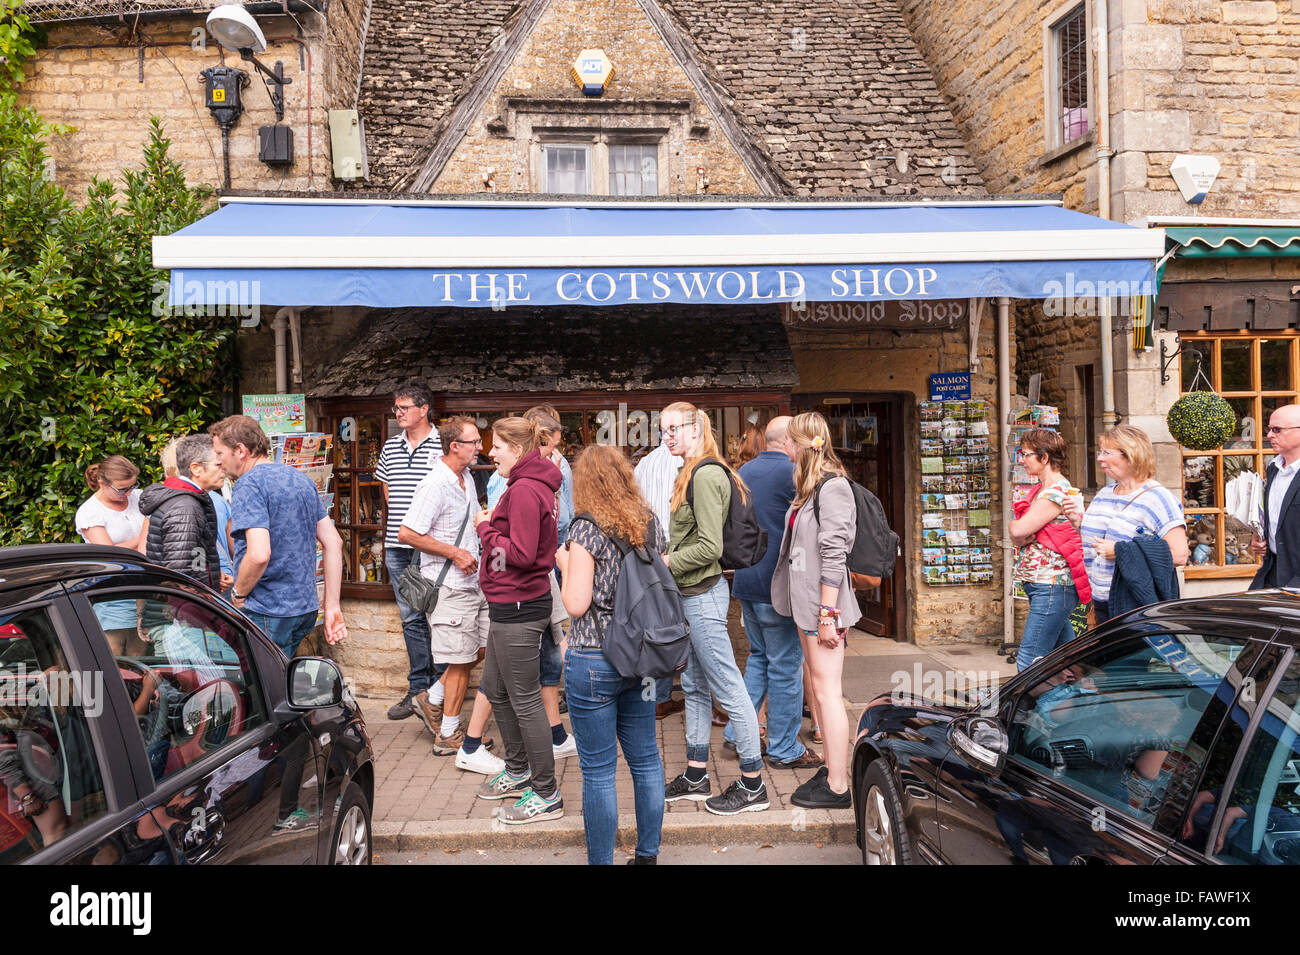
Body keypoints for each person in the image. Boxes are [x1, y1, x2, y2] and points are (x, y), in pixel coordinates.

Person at [555, 444, 666, 864]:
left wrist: (564, 564)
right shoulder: (648, 523)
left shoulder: (585, 530)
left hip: (595, 657)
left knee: (599, 772)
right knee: (646, 760)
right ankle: (647, 856)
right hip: (642, 659)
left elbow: (576, 604)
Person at [660, 401, 769, 815]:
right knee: (694, 687)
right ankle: (695, 774)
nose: (667, 436)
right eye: (663, 430)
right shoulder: (692, 471)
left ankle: (753, 783)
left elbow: (709, 546)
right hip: (694, 596)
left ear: (693, 428)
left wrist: (664, 562)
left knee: (728, 687)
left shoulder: (705, 475)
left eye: (673, 429)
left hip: (702, 597)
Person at [398, 415, 504, 775]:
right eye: (475, 441)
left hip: (473, 583)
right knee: (459, 661)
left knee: (481, 648)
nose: (481, 447)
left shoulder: (467, 479)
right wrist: (455, 553)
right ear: (454, 446)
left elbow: (472, 521)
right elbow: (408, 533)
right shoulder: (434, 484)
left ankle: (433, 697)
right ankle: (448, 735)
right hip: (448, 586)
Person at [772, 411, 865, 809]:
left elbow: (833, 553)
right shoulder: (812, 487)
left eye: (790, 442)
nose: (786, 449)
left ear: (804, 444)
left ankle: (840, 786)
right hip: (807, 607)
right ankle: (832, 769)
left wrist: (828, 614)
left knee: (828, 695)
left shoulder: (834, 488)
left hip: (823, 609)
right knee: (821, 691)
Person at [473, 416, 564, 824]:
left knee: (525, 699)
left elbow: (524, 554)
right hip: (509, 603)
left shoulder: (525, 490)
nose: (491, 453)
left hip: (519, 607)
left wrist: (487, 529)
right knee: (495, 687)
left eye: (497, 446)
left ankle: (546, 794)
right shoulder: (524, 485)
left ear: (518, 449)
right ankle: (518, 769)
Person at [725, 415, 821, 768]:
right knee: (785, 666)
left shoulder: (743, 473)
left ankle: (739, 733)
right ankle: (784, 748)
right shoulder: (793, 474)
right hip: (778, 585)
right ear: (788, 441)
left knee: (759, 659)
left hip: (747, 580)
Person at [209, 415, 348, 655]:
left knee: (261, 687)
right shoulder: (300, 480)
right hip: (304, 608)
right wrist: (332, 605)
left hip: (267, 608)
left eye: (220, 454)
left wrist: (238, 594)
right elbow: (334, 542)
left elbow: (259, 554)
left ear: (240, 450)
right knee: (280, 680)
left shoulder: (248, 484)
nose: (218, 462)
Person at [374, 380, 447, 727]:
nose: (398, 413)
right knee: (410, 618)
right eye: (396, 408)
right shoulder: (390, 447)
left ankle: (441, 693)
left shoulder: (442, 445)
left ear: (424, 409)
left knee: (438, 616)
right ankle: (418, 687)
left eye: (404, 408)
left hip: (430, 547)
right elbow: (387, 491)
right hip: (396, 545)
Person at [1064, 424, 1188, 623]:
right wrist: (1078, 522)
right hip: (1099, 600)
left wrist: (1120, 551)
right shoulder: (1104, 493)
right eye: (1100, 451)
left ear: (1131, 455)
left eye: (1106, 452)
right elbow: (1100, 542)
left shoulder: (1159, 498)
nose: (1099, 458)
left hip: (1133, 602)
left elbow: (1180, 555)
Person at [1007, 428, 1089, 671]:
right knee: (1069, 660)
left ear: (1044, 458)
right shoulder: (1041, 490)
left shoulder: (1056, 492)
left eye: (1026, 454)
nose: (1021, 460)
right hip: (1045, 586)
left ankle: (1026, 709)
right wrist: (1018, 532)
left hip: (1052, 586)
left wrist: (1015, 527)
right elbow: (1020, 535)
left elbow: (1019, 530)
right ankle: (1084, 700)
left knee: (1029, 662)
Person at [522, 405, 577, 761]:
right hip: (545, 562)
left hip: (548, 559)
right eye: (554, 438)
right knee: (551, 639)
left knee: (548, 640)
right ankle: (552, 732)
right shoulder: (538, 473)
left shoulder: (550, 467)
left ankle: (550, 728)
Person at [634, 428, 685, 719]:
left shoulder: (646, 462)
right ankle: (663, 697)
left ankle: (652, 697)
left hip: (649, 548)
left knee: (655, 627)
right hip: (674, 552)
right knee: (675, 627)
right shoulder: (686, 463)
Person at [75, 455, 148, 654]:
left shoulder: (139, 497)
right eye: (122, 489)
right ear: (101, 482)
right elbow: (110, 554)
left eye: (132, 486)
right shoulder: (90, 512)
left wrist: (130, 544)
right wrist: (145, 534)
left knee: (141, 654)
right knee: (116, 655)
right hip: (115, 589)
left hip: (146, 584)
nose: (128, 493)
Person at [138, 434, 229, 593]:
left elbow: (195, 553)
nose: (225, 470)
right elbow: (180, 573)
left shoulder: (188, 499)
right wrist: (201, 601)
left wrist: (209, 575)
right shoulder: (185, 505)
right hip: (182, 609)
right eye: (219, 465)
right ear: (196, 468)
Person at [1250, 403, 1300, 589]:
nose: (1269, 435)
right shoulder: (1273, 469)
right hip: (1272, 571)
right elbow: (1278, 518)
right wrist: (1259, 536)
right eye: (1269, 429)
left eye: (1277, 430)